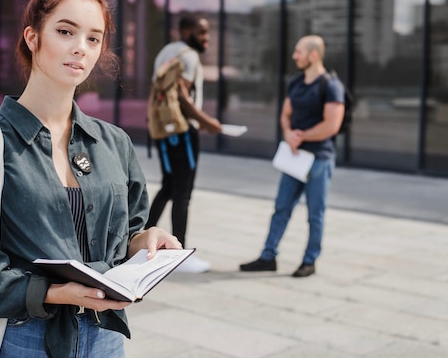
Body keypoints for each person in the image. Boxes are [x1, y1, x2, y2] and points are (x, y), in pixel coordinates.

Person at [0, 0, 181, 358]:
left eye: (93, 38)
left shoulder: (114, 143)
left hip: (106, 336)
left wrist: (147, 241)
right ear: (33, 37)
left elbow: (127, 237)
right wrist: (57, 292)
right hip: (24, 338)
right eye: (66, 32)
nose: (81, 49)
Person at [240, 35, 344, 278]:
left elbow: (332, 125)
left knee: (315, 214)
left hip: (319, 159)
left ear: (314, 55)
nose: (295, 56)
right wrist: (288, 133)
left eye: (299, 52)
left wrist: (302, 135)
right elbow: (286, 114)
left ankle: (309, 261)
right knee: (281, 208)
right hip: (295, 158)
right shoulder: (296, 82)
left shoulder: (331, 85)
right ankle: (268, 257)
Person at [145, 15, 222, 273]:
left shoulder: (166, 52)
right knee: (182, 192)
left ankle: (143, 241)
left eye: (208, 33)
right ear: (186, 30)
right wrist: (207, 121)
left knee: (168, 187)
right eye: (202, 33)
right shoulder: (189, 56)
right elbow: (182, 97)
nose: (206, 39)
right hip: (182, 132)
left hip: (164, 132)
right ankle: (180, 256)